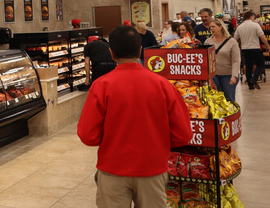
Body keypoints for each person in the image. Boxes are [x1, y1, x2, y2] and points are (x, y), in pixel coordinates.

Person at [77, 26, 192, 208]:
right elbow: (183, 134)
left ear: (111, 53)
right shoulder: (162, 85)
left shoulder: (101, 86)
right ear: (140, 50)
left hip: (112, 168)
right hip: (153, 168)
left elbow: (87, 135)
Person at [204, 18, 240, 102]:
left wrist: (234, 76)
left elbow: (236, 61)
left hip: (228, 75)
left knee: (228, 99)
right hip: (213, 76)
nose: (211, 29)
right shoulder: (208, 41)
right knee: (215, 100)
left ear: (220, 27)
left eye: (213, 27)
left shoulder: (232, 42)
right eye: (210, 27)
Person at [234, 11, 270, 90]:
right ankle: (255, 79)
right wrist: (267, 45)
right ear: (251, 16)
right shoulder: (255, 25)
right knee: (260, 64)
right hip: (255, 48)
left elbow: (235, 39)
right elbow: (262, 37)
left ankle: (250, 84)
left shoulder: (239, 27)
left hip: (244, 49)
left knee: (248, 66)